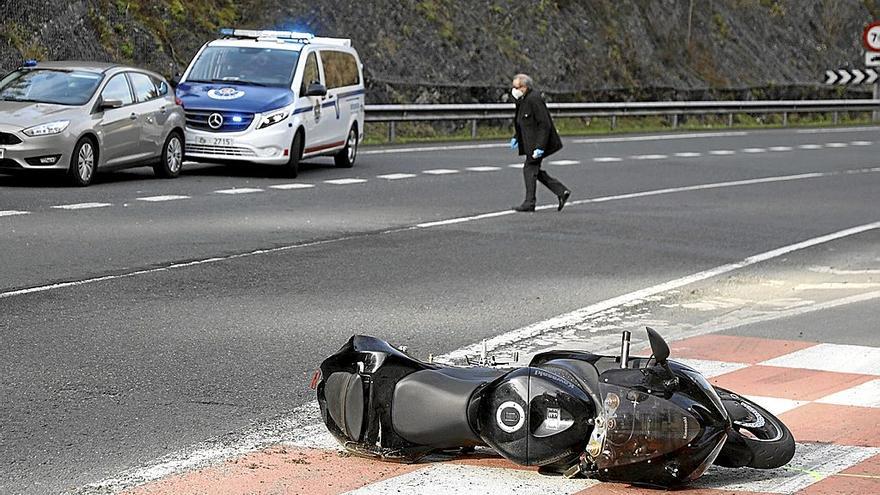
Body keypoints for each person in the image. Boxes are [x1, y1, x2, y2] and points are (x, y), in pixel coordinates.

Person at [509, 74, 571, 212]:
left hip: (537, 143)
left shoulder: (534, 99)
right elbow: (522, 122)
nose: (514, 90)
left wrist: (540, 147)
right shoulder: (522, 99)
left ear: (525, 87)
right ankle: (561, 191)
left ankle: (529, 203)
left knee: (529, 169)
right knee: (534, 171)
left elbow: (544, 125)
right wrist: (516, 137)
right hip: (529, 142)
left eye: (517, 87)